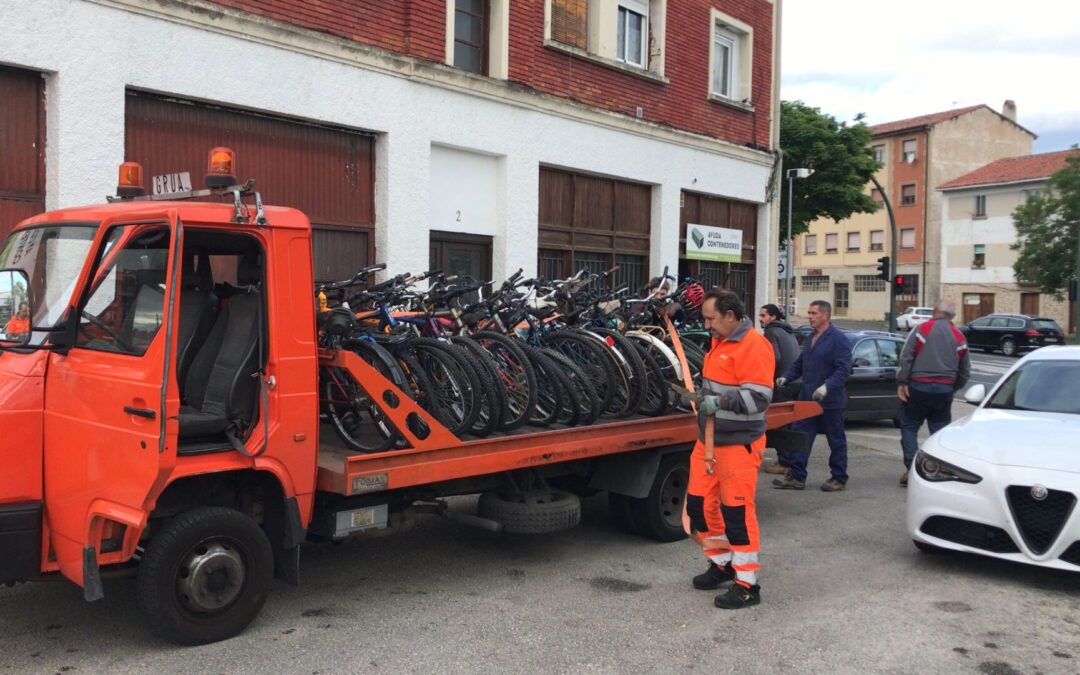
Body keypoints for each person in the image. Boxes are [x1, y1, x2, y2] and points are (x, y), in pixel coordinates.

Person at [682, 289, 775, 609]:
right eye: (705, 318)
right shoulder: (719, 342)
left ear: (731, 316)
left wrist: (716, 402)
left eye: (711, 318)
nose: (706, 325)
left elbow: (758, 399)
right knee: (699, 507)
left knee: (736, 513)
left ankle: (747, 583)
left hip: (739, 445)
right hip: (708, 441)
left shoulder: (754, 346)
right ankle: (721, 563)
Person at [773, 300, 852, 491]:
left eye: (813, 313)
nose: (809, 316)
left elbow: (844, 369)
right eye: (809, 312)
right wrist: (786, 377)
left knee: (836, 440)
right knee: (801, 436)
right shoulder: (811, 337)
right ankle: (796, 476)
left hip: (830, 401)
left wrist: (827, 386)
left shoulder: (838, 338)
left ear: (825, 315)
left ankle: (838, 477)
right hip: (807, 399)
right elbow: (801, 362)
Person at [896, 298, 970, 486]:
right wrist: (954, 388)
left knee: (910, 426)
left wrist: (903, 381)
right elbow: (965, 371)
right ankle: (938, 471)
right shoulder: (959, 336)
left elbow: (906, 357)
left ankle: (912, 468)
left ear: (934, 311)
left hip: (918, 387)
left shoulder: (921, 330)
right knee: (940, 431)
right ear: (953, 315)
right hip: (944, 390)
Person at [758, 303, 801, 475]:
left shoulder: (771, 332)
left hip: (782, 383)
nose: (760, 319)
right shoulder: (787, 331)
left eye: (763, 316)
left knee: (779, 424)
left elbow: (773, 357)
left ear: (773, 317)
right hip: (796, 381)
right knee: (791, 424)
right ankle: (793, 460)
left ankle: (784, 462)